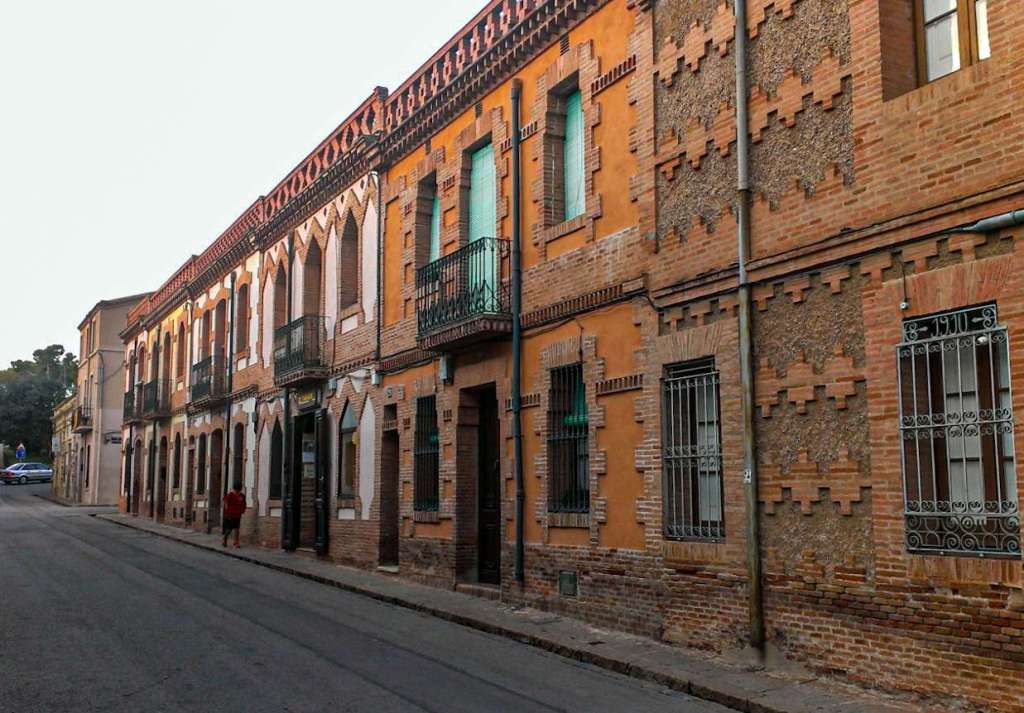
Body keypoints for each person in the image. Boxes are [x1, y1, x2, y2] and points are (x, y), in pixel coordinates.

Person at [222, 481, 247, 548]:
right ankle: (224, 539)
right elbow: (226, 503)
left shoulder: (242, 496)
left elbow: (244, 504)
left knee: (237, 529)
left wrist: (243, 510)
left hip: (238, 515)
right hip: (230, 515)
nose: (238, 491)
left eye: (239, 490)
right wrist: (227, 512)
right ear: (235, 489)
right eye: (237, 490)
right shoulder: (230, 495)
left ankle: (236, 542)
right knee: (229, 530)